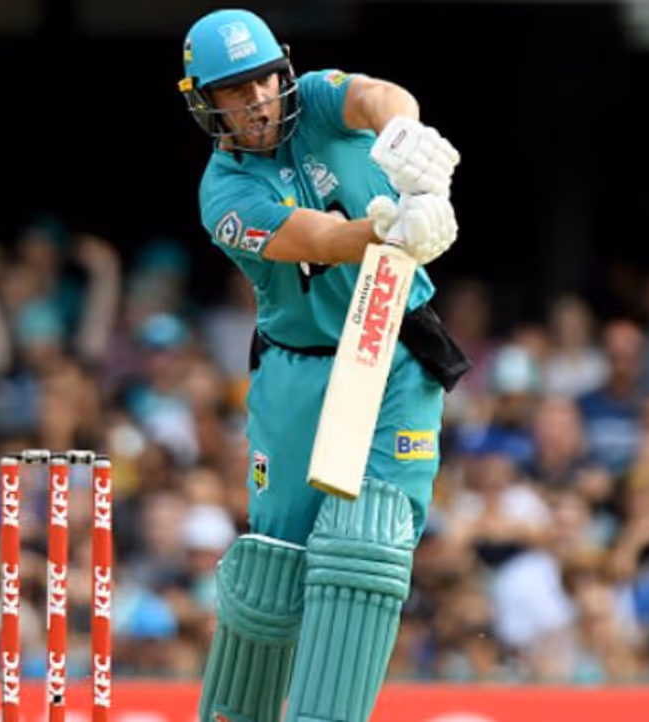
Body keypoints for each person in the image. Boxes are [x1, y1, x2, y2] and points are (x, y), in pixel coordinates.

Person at [177, 8, 469, 722]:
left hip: (393, 349)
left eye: (263, 80)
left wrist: (405, 139)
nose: (257, 100)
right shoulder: (224, 193)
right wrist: (392, 229)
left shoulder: (314, 96)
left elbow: (378, 96)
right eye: (234, 91)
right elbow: (321, 239)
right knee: (273, 571)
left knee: (368, 546)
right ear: (206, 104)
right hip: (299, 369)